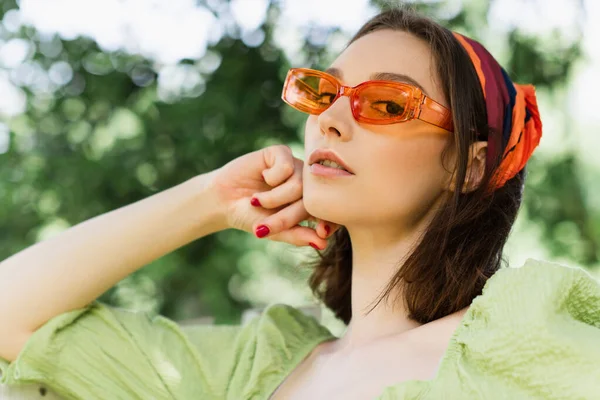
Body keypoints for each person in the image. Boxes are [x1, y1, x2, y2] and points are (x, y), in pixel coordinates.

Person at [0, 6, 599, 400]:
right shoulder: (252, 369)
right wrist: (211, 199)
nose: (331, 121)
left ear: (467, 166)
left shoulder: (524, 340)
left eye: (387, 103)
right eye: (324, 92)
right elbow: (10, 317)